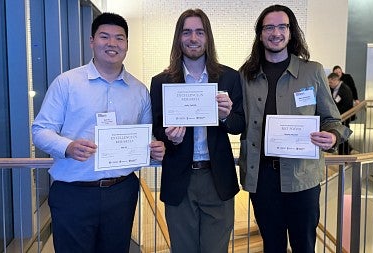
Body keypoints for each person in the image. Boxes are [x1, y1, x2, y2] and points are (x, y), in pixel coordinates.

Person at [32, 12, 165, 253]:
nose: (112, 43)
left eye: (120, 38)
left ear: (127, 44)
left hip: (122, 191)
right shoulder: (67, 83)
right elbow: (40, 130)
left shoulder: (139, 90)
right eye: (105, 36)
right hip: (73, 192)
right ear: (92, 41)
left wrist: (155, 147)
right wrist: (68, 147)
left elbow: (147, 135)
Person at [238, 5, 351, 253]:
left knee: (304, 246)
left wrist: (331, 136)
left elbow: (333, 120)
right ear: (260, 34)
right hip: (263, 178)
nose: (275, 32)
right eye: (269, 27)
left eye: (282, 26)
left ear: (291, 32)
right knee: (272, 246)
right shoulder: (246, 75)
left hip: (303, 178)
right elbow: (237, 121)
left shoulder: (312, 72)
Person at [150, 8, 245, 253]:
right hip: (180, 178)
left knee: (216, 249)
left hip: (217, 178)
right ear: (178, 38)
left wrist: (225, 117)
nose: (193, 38)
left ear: (207, 37)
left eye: (199, 32)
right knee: (182, 249)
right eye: (187, 32)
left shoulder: (230, 77)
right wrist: (170, 137)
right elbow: (158, 128)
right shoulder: (161, 81)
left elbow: (239, 125)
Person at [328, 72, 354, 155]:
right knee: (340, 135)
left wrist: (338, 115)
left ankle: (345, 154)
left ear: (336, 80)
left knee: (342, 135)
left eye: (330, 82)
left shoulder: (345, 89)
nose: (329, 84)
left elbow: (347, 105)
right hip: (339, 116)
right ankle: (346, 151)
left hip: (344, 117)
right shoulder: (335, 89)